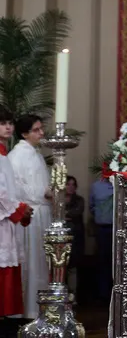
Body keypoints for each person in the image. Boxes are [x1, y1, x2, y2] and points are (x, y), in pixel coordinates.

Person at [8, 114, 50, 318]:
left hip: (41, 212)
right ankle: (27, 310)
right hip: (30, 215)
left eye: (41, 129)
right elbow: (17, 188)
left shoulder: (35, 153)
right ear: (24, 133)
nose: (41, 133)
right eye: (36, 130)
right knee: (31, 262)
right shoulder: (18, 155)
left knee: (40, 261)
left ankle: (38, 307)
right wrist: (44, 193)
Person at [0, 105, 33, 334]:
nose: (8, 127)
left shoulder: (3, 154)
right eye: (3, 123)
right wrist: (19, 209)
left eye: (10, 122)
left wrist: (21, 209)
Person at [89, 175, 114, 303]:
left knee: (116, 262)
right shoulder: (96, 186)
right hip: (102, 229)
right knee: (102, 261)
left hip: (118, 229)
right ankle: (103, 295)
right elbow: (91, 206)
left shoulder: (120, 184)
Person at [64, 175, 85, 298]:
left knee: (73, 267)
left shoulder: (79, 200)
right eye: (68, 184)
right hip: (62, 238)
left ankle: (73, 295)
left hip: (75, 238)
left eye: (73, 185)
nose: (71, 187)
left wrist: (63, 214)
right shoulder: (58, 200)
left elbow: (76, 212)